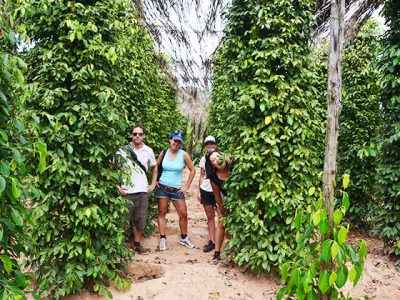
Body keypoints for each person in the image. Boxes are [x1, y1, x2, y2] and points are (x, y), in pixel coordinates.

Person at [116, 124, 157, 254]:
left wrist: (153, 184)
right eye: (135, 134)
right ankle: (120, 246)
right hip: (126, 192)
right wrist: (117, 187)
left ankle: (137, 244)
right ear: (131, 135)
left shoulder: (148, 151)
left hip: (142, 191)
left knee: (140, 220)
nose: (137, 136)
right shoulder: (122, 151)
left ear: (144, 136)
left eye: (140, 134)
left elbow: (154, 167)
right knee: (123, 221)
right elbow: (111, 169)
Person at [155, 130, 196, 251]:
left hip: (177, 190)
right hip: (162, 188)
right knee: (162, 213)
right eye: (174, 140)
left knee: (183, 214)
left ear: (181, 143)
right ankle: (162, 238)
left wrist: (186, 186)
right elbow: (156, 166)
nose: (176, 143)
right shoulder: (163, 153)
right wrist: (155, 180)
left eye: (179, 141)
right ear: (170, 140)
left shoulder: (183, 155)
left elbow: (193, 170)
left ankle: (184, 238)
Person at [205, 150, 231, 263]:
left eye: (218, 157)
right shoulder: (214, 177)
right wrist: (221, 209)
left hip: (238, 199)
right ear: (212, 165)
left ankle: (232, 252)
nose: (217, 161)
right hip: (225, 199)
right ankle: (217, 253)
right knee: (222, 223)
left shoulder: (233, 166)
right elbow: (217, 196)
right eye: (213, 161)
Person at [198, 136, 218, 253]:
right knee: (210, 216)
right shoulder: (203, 159)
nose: (209, 145)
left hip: (217, 190)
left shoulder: (219, 157)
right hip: (206, 189)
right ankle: (212, 241)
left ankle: (224, 241)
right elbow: (201, 175)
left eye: (212, 143)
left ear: (215, 144)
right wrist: (199, 190)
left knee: (222, 216)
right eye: (207, 144)